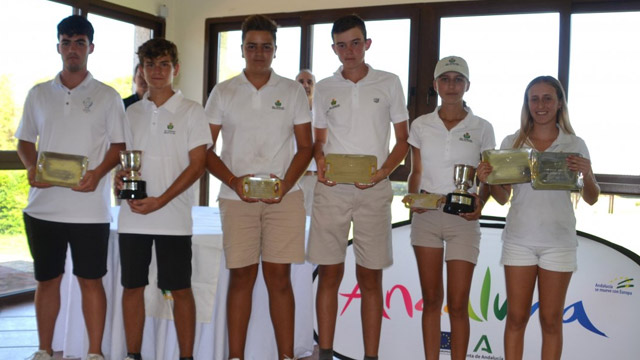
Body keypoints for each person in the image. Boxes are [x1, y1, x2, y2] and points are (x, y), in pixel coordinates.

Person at [15, 15, 126, 360]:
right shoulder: (38, 94)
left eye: (79, 42)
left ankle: (94, 353)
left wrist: (96, 174)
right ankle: (44, 350)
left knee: (90, 282)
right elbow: (24, 141)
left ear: (91, 48)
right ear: (58, 47)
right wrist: (32, 166)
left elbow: (119, 147)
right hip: (43, 207)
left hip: (90, 209)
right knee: (47, 281)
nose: (72, 49)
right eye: (66, 42)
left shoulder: (108, 97)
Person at [204, 14, 312, 360]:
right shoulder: (223, 91)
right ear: (242, 49)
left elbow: (306, 147)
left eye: (266, 46)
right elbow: (205, 150)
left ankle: (286, 356)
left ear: (276, 50)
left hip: (285, 198)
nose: (259, 53)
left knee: (279, 280)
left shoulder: (293, 90)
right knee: (241, 279)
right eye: (252, 46)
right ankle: (236, 357)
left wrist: (286, 183)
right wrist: (234, 181)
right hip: (236, 199)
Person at [307, 15, 409, 360]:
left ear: (367, 44)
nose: (348, 51)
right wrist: (321, 164)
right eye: (341, 44)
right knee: (329, 274)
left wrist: (382, 174)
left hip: (374, 191)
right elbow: (318, 141)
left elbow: (403, 142)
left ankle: (371, 357)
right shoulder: (324, 87)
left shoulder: (389, 83)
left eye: (355, 43)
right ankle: (324, 353)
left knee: (370, 278)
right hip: (331, 190)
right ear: (333, 48)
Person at [476, 76, 600, 360]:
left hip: (559, 242)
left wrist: (588, 174)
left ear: (559, 104)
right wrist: (489, 178)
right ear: (527, 104)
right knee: (517, 318)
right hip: (519, 240)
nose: (540, 105)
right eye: (534, 99)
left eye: (547, 98)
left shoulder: (575, 143)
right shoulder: (512, 142)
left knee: (551, 321)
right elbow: (502, 197)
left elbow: (591, 197)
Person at [116, 38, 211, 360]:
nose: (157, 71)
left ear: (176, 69)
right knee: (132, 287)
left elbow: (198, 166)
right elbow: (124, 160)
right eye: (150, 64)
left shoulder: (192, 111)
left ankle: (186, 357)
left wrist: (161, 200)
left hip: (173, 218)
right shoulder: (130, 112)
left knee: (179, 290)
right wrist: (119, 177)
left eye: (164, 64)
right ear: (141, 69)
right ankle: (133, 355)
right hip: (133, 215)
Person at [404, 56, 494, 360]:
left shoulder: (482, 127)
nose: (451, 85)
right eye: (445, 79)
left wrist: (480, 202)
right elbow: (415, 171)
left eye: (458, 79)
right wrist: (413, 199)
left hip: (463, 219)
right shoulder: (420, 125)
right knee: (431, 300)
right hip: (427, 216)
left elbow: (489, 175)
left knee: (457, 304)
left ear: (467, 85)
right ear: (435, 85)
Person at [295, 69, 317, 215]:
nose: (305, 85)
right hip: (294, 178)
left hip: (315, 179)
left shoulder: (322, 114)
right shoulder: (288, 112)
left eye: (309, 82)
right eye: (301, 82)